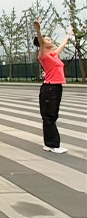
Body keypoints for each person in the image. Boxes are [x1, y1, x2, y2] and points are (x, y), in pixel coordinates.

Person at [33, 17, 72, 154]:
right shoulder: (43, 55)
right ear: (43, 43)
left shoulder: (53, 55)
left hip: (56, 87)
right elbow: (41, 41)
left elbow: (62, 45)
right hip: (50, 88)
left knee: (52, 116)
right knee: (49, 117)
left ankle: (51, 143)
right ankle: (52, 144)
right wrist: (38, 30)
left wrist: (68, 35)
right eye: (48, 39)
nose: (52, 40)